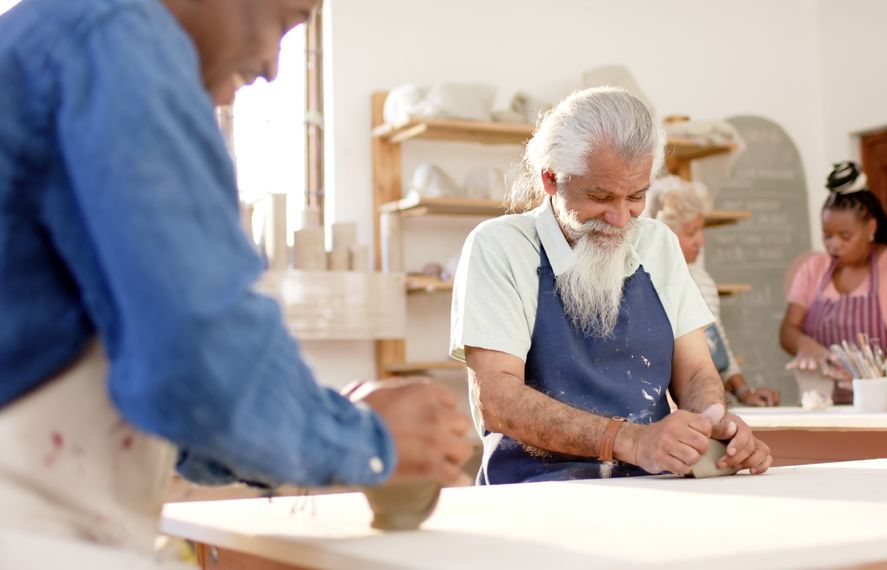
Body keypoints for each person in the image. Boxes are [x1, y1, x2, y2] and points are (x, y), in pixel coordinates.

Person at [0, 0, 472, 560]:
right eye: (287, 20)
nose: (274, 66)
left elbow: (155, 392)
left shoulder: (68, 33)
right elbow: (195, 365)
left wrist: (330, 418)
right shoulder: (115, 37)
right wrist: (366, 439)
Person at [449, 87, 771, 485]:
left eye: (636, 197)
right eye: (600, 196)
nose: (620, 219)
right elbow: (499, 399)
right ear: (551, 178)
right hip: (534, 495)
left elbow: (696, 372)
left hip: (653, 487)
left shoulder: (658, 243)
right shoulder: (501, 246)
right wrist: (631, 441)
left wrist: (713, 424)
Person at [780, 161, 887, 402]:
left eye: (845, 236)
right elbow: (788, 330)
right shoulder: (813, 269)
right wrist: (805, 345)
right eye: (827, 236)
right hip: (825, 404)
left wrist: (873, 374)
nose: (834, 244)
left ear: (871, 227)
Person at [647, 175, 779, 407]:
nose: (701, 241)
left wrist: (745, 391)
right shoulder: (648, 283)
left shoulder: (703, 281)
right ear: (663, 233)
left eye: (701, 230)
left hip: (710, 400)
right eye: (690, 233)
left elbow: (720, 347)